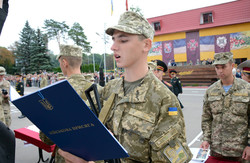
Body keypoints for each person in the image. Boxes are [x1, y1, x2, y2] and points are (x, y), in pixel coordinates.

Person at [58, 11, 192, 163]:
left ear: (146, 45)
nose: (113, 47)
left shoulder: (164, 100)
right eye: (114, 40)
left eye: (123, 40)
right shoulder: (110, 89)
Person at [39, 44, 93, 163]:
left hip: (65, 157)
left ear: (64, 62)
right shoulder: (98, 90)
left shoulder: (54, 93)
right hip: (91, 157)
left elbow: (46, 138)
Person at [200, 52, 250, 162]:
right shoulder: (211, 91)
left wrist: (249, 145)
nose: (220, 71)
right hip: (217, 150)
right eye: (217, 67)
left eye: (223, 67)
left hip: (240, 152)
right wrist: (206, 139)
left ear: (232, 66)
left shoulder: (246, 89)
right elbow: (207, 118)